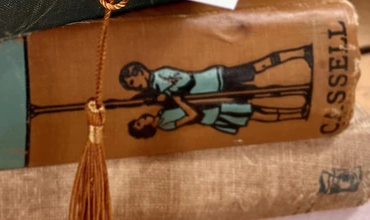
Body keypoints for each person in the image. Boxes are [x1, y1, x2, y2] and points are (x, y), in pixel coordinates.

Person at [118, 48, 312, 137]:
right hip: (213, 101)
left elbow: (185, 81)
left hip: (213, 81)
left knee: (256, 68)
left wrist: (173, 97)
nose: (136, 87)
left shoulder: (161, 77)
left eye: (134, 83)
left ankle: (301, 53)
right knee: (255, 107)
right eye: (133, 86)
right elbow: (190, 111)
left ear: (141, 72)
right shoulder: (162, 112)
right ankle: (299, 107)